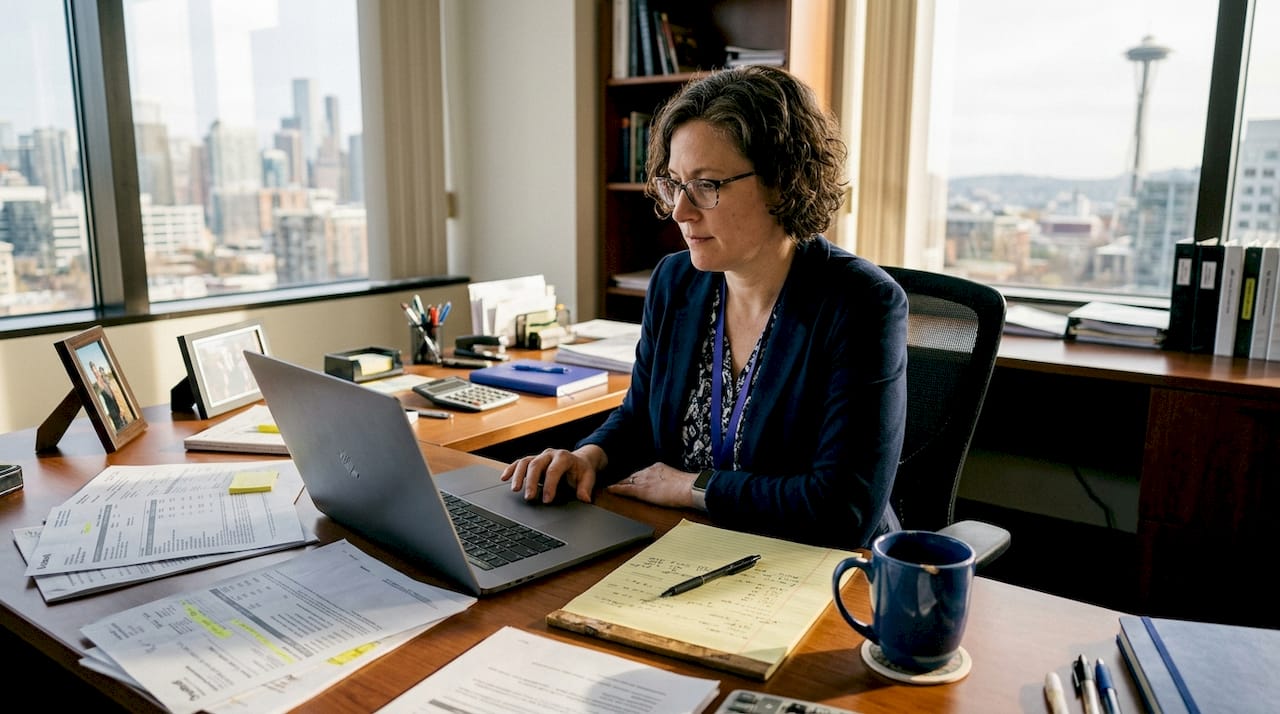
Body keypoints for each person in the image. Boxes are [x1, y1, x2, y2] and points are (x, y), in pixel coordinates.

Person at [502, 66, 908, 550]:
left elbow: (844, 510)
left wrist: (691, 488)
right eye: (674, 183)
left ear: (782, 182)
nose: (680, 210)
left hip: (815, 564)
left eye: (706, 185)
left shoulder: (861, 304)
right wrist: (590, 456)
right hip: (691, 544)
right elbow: (640, 415)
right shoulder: (675, 281)